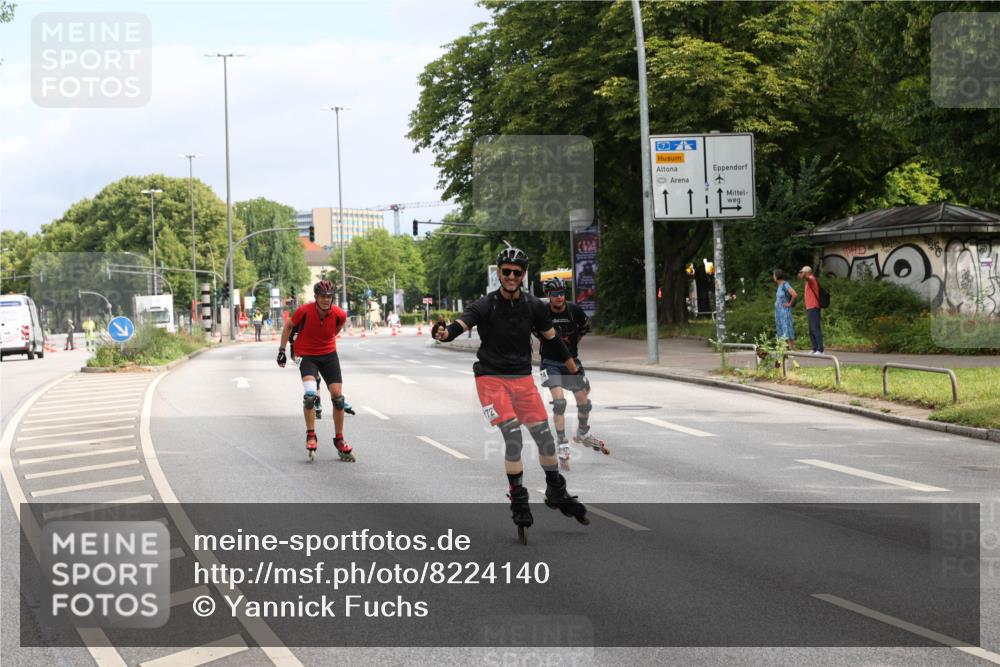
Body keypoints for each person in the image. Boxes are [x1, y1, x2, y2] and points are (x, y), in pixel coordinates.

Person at [435, 245, 589, 543]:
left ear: (523, 275)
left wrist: (574, 369)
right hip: (491, 380)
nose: (510, 276)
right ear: (499, 272)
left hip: (521, 380)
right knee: (513, 437)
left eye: (516, 273)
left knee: (545, 439)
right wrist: (444, 333)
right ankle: (519, 497)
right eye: (505, 271)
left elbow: (554, 341)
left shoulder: (534, 306)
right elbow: (461, 323)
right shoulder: (486, 304)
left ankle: (555, 488)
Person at [277, 280, 354, 462]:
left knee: (338, 398)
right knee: (310, 396)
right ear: (316, 297)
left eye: (329, 297)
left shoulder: (339, 314)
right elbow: (288, 326)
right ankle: (311, 434)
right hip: (307, 356)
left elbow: (335, 330)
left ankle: (339, 439)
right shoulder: (304, 311)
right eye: (323, 297)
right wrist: (281, 351)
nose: (326, 300)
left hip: (329, 355)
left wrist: (324, 343)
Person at [538, 277, 607, 470]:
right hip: (550, 363)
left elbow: (584, 328)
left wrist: (571, 347)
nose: (559, 297)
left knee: (584, 400)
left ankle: (582, 432)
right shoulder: (542, 312)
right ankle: (562, 444)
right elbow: (535, 331)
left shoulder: (573, 310)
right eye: (554, 294)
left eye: (561, 293)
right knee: (559, 402)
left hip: (570, 362)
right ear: (548, 296)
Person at [798, 265, 824, 354]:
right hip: (810, 308)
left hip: (814, 307)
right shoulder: (808, 281)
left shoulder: (812, 279)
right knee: (811, 329)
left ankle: (820, 349)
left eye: (803, 272)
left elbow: (808, 279)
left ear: (808, 272)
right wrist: (804, 276)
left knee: (815, 328)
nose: (801, 274)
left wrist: (804, 276)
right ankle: (814, 348)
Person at [772, 269, 797, 347]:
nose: (773, 277)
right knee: (781, 328)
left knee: (787, 327)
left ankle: (791, 347)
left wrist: (790, 304)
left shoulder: (785, 284)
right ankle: (783, 348)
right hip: (779, 312)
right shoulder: (779, 286)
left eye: (774, 275)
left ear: (777, 276)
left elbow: (794, 294)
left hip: (784, 311)